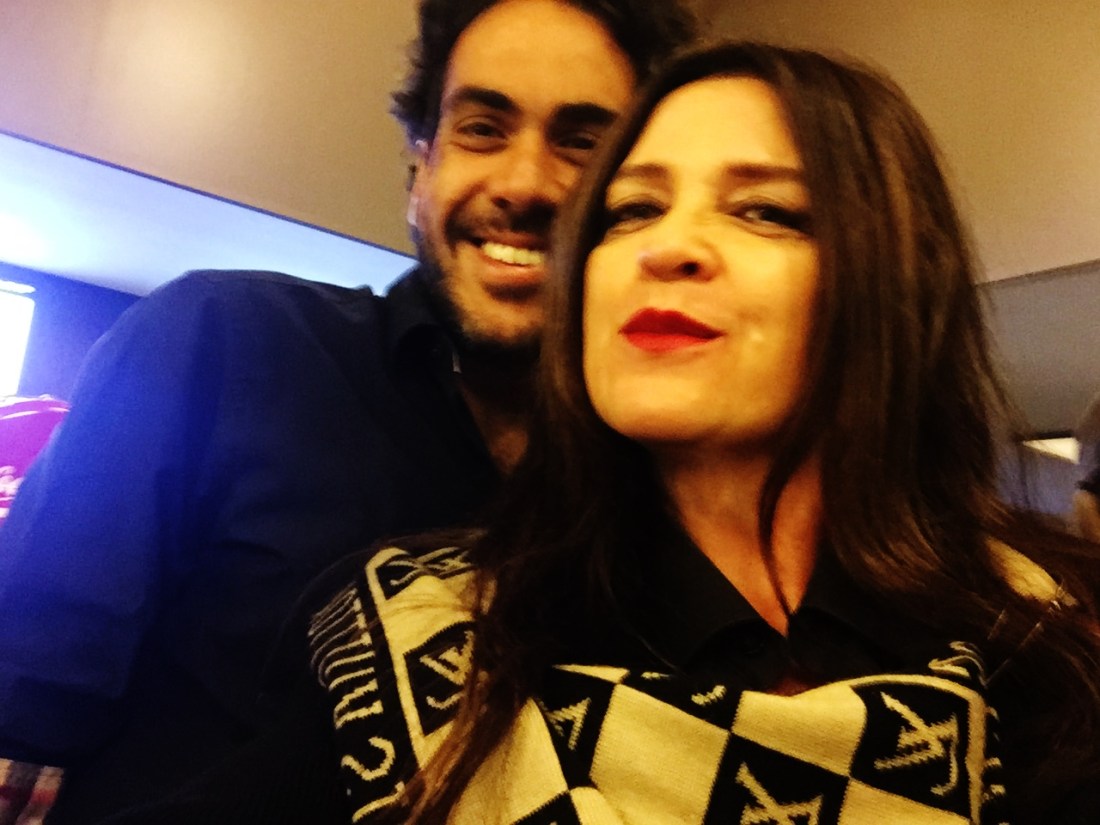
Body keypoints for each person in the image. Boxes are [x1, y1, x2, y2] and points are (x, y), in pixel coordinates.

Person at [301, 42, 1100, 823]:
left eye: (766, 211)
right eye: (632, 211)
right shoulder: (423, 634)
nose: (666, 247)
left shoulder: (1057, 635)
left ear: (896, 283)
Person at [0, 1, 697, 820]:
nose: (523, 184)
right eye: (482, 128)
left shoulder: (667, 492)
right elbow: (20, 710)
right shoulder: (219, 341)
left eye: (581, 142)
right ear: (419, 171)